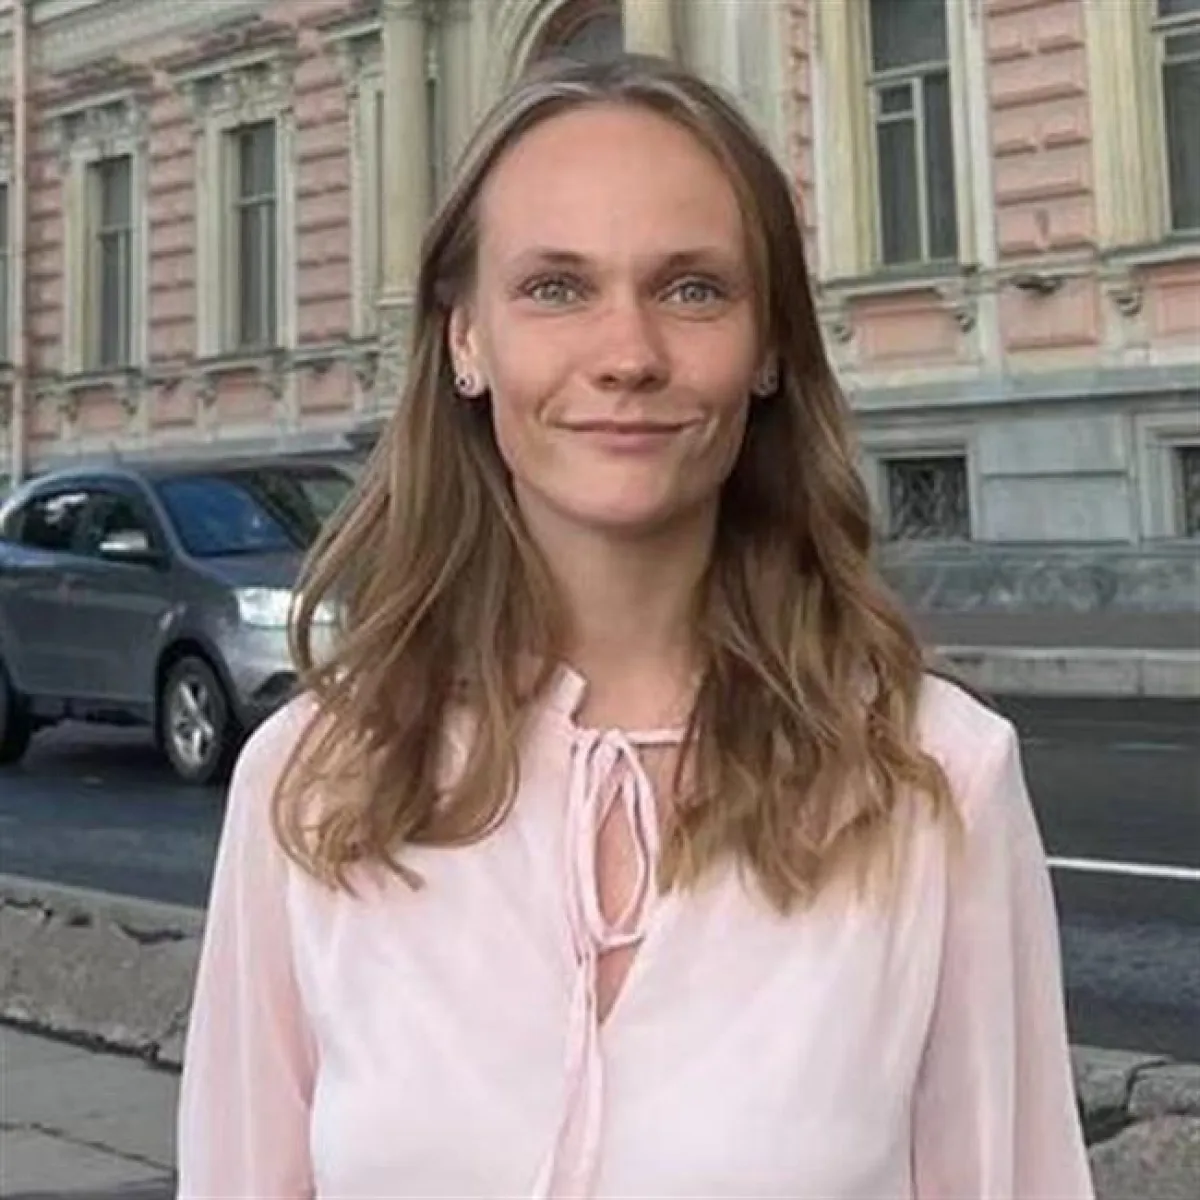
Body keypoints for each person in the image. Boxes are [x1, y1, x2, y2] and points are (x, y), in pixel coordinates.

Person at [176, 52, 1093, 1199]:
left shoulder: (934, 779)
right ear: (465, 341)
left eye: (693, 289)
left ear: (769, 349)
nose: (628, 356)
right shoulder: (314, 783)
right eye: (556, 288)